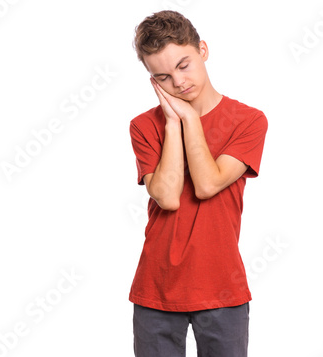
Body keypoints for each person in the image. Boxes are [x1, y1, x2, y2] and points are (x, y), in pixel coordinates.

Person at [129, 10, 268, 357]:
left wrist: (190, 116)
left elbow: (208, 184)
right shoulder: (144, 126)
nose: (177, 82)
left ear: (203, 50)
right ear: (153, 80)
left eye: (183, 65)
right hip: (156, 286)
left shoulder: (248, 121)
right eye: (162, 76)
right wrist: (173, 124)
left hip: (222, 287)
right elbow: (166, 196)